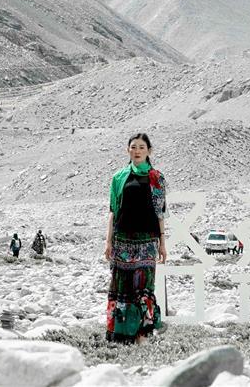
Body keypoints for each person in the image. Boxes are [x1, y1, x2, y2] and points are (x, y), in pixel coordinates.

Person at [104, 133, 166, 344]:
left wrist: (163, 244)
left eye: (141, 147)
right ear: (127, 150)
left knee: (144, 288)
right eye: (133, 147)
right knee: (122, 287)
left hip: (147, 242)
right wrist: (108, 241)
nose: (137, 150)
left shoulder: (156, 178)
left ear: (149, 150)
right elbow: (113, 211)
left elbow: (160, 213)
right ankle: (120, 335)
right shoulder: (119, 177)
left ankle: (142, 335)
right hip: (122, 240)